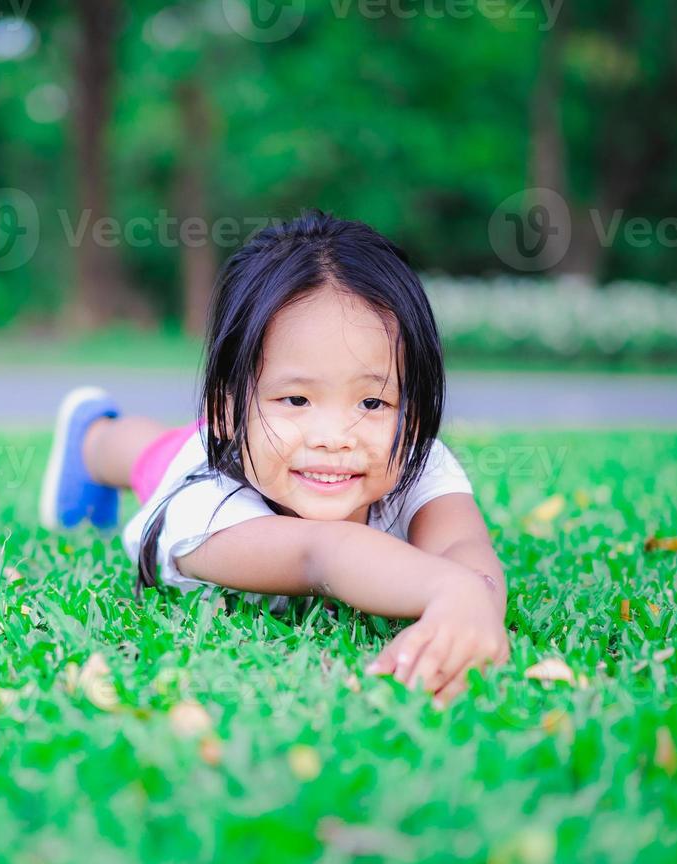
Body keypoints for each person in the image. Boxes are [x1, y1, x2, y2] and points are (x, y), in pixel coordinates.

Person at [40, 211, 509, 703]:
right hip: (214, 464)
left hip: (270, 443)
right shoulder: (204, 511)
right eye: (298, 399)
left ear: (412, 412)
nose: (334, 437)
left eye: (372, 402)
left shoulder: (409, 454)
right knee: (145, 452)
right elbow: (319, 553)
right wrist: (450, 591)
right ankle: (89, 434)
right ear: (223, 408)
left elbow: (463, 546)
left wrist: (475, 601)